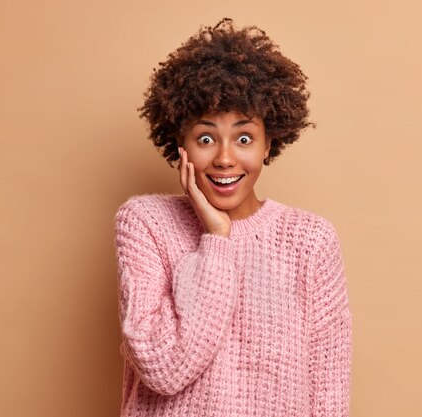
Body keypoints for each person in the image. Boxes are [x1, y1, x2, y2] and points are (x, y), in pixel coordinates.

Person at [113, 18, 352, 417]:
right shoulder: (144, 223)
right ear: (180, 145)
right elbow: (165, 369)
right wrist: (217, 239)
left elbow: (328, 391)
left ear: (267, 144)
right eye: (205, 138)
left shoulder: (310, 240)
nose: (224, 158)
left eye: (244, 138)